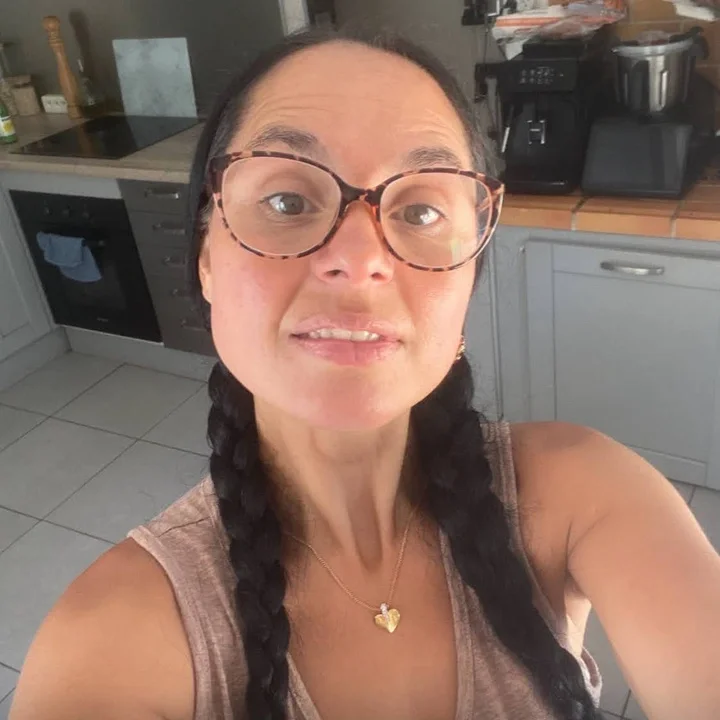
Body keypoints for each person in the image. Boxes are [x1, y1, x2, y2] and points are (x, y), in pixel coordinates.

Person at [10, 27, 720, 720]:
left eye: (420, 209)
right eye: (287, 201)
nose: (360, 260)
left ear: (467, 283)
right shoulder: (115, 635)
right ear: (206, 262)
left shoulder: (584, 492)